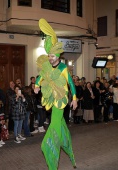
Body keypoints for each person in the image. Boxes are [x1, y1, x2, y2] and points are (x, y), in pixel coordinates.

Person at [34, 18, 77, 170]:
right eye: (49, 56)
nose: (50, 58)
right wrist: (36, 85)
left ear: (58, 56)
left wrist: (75, 99)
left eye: (52, 56)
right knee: (60, 125)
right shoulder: (47, 66)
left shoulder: (63, 68)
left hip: (61, 99)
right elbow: (40, 76)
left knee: (55, 123)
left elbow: (71, 84)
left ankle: (49, 146)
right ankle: (68, 149)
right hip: (50, 98)